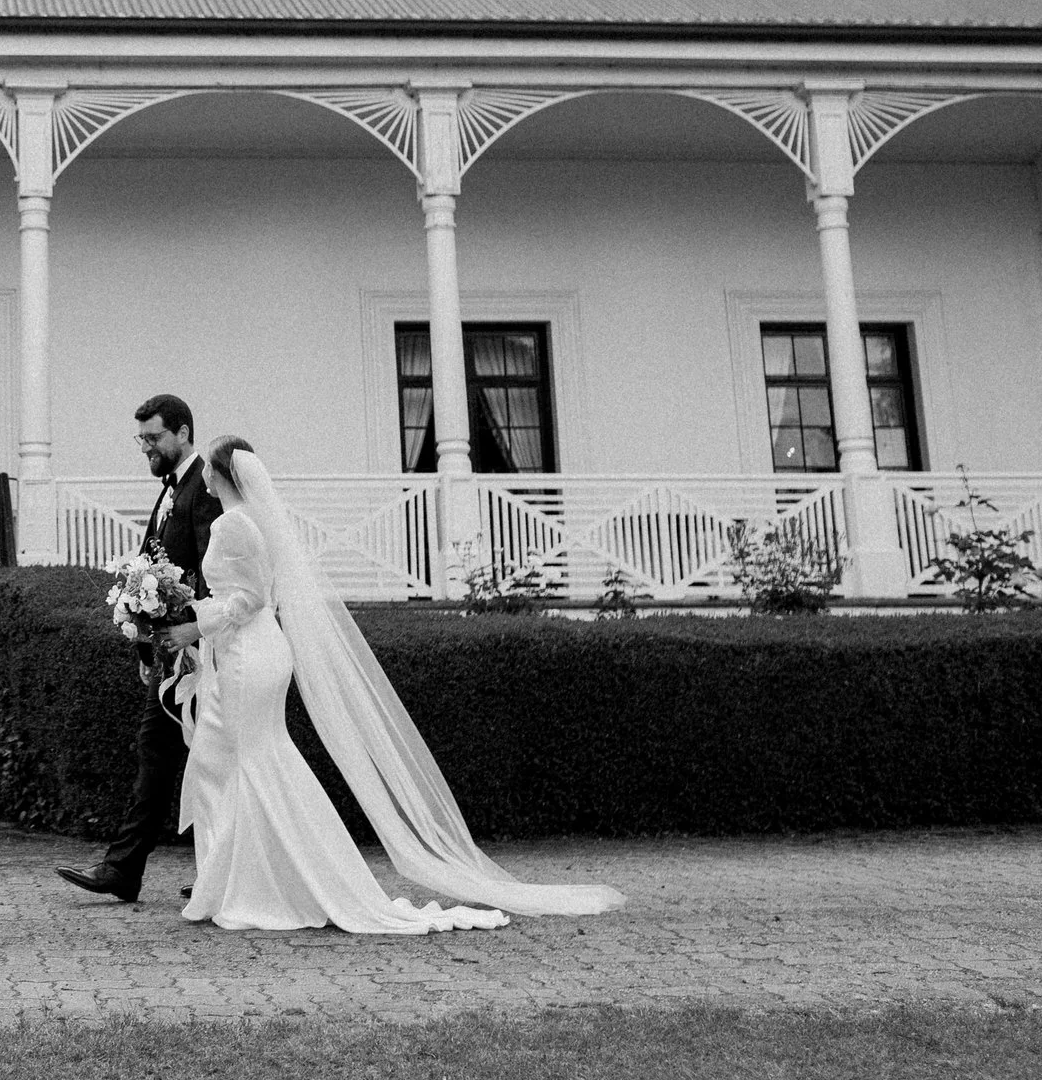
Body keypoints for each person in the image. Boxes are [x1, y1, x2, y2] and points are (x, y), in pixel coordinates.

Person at [159, 435, 624, 932]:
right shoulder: (256, 520)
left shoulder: (234, 524)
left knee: (253, 760)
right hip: (250, 651)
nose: (203, 475)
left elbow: (248, 599)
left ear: (223, 473)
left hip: (249, 654)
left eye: (208, 468)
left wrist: (194, 626)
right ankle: (249, 879)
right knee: (243, 759)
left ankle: (285, 882)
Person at [54, 393, 222, 904]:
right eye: (142, 438)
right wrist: (146, 645)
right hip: (169, 654)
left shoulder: (203, 490)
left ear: (183, 433)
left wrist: (196, 637)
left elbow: (211, 575)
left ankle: (140, 870)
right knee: (165, 755)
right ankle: (128, 870)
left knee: (212, 761)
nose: (146, 447)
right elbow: (157, 570)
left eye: (153, 438)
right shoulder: (171, 489)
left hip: (199, 655)